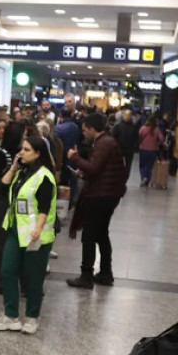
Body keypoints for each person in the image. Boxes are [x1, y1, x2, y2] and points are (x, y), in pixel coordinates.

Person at [0, 133, 57, 336]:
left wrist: (38, 228)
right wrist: (13, 168)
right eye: (21, 149)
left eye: (26, 150)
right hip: (14, 231)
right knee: (8, 270)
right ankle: (11, 316)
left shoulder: (45, 176)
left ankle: (32, 317)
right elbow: (2, 187)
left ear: (38, 153)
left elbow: (45, 207)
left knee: (33, 277)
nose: (21, 153)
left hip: (35, 235)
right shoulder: (21, 173)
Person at [66, 113, 126, 288]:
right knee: (101, 233)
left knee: (90, 235)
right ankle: (106, 273)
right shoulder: (107, 141)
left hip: (100, 196)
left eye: (85, 130)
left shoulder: (103, 143)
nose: (84, 133)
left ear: (93, 129)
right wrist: (82, 172)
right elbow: (100, 169)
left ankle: (86, 276)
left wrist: (74, 157)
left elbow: (93, 168)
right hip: (109, 193)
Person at [0, 120, 28, 293]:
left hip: (19, 202)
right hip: (3, 203)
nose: (26, 139)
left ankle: (21, 281)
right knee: (4, 245)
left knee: (20, 243)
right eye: (24, 136)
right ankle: (4, 282)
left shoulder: (26, 155)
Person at [115, 106, 140, 183]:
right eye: (126, 115)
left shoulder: (134, 127)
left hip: (130, 149)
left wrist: (135, 147)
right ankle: (119, 178)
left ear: (131, 117)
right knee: (119, 165)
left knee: (128, 166)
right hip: (120, 148)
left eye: (128, 116)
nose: (127, 117)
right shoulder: (118, 126)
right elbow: (114, 136)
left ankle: (125, 179)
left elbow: (136, 137)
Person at [137, 116, 163, 188]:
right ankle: (147, 179)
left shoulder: (143, 128)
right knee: (149, 166)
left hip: (143, 150)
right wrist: (157, 143)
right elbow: (161, 138)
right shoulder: (157, 130)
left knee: (142, 165)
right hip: (153, 151)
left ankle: (143, 178)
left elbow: (139, 136)